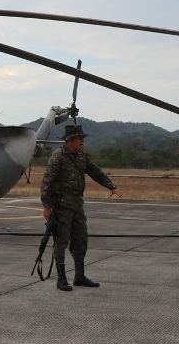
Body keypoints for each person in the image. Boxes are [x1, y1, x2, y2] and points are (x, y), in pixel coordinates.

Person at [40, 123, 123, 291]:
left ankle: (79, 276)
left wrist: (111, 186)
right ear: (70, 140)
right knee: (61, 242)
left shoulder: (82, 156)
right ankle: (61, 279)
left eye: (83, 138)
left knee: (81, 241)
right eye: (80, 138)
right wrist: (47, 207)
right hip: (61, 206)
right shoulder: (58, 156)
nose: (82, 141)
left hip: (77, 205)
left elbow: (96, 172)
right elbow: (46, 183)